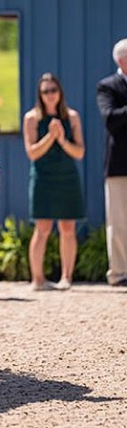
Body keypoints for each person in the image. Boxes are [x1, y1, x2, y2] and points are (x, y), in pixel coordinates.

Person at [23, 73, 85, 291]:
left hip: (67, 176)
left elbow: (79, 152)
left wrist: (61, 139)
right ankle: (37, 280)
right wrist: (50, 136)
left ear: (60, 92)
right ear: (40, 95)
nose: (50, 95)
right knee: (42, 227)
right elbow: (32, 153)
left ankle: (67, 277)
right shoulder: (32, 118)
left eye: (53, 90)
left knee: (68, 227)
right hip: (43, 177)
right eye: (46, 91)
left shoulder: (73, 117)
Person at [96, 39, 127, 287]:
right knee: (118, 221)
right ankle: (119, 273)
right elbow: (110, 118)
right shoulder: (107, 86)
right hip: (119, 165)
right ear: (122, 61)